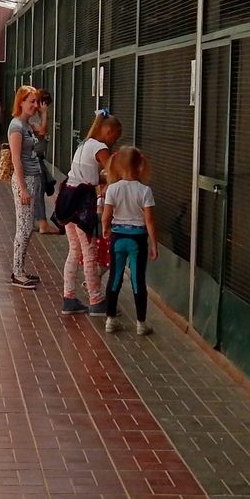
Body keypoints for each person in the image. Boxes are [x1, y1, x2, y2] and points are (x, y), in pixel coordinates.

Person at [57, 109, 123, 316]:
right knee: (89, 252)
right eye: (115, 137)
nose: (113, 142)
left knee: (74, 250)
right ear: (108, 131)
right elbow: (114, 173)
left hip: (68, 198)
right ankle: (96, 299)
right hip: (83, 203)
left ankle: (69, 297)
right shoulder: (100, 148)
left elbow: (92, 176)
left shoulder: (84, 144)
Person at [101, 146, 158, 336]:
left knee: (115, 277)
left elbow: (106, 216)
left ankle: (110, 320)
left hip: (117, 236)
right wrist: (154, 244)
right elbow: (149, 220)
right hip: (138, 238)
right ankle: (141, 323)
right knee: (137, 279)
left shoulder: (112, 188)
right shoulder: (145, 190)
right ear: (140, 165)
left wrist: (106, 228)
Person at [7, 86, 44, 289]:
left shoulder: (27, 124)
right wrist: (23, 188)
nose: (35, 105)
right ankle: (17, 273)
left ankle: (20, 268)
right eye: (31, 101)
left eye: (37, 102)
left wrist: (44, 114)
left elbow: (43, 132)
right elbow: (16, 159)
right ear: (21, 102)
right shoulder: (17, 127)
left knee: (28, 226)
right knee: (24, 227)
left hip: (33, 177)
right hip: (26, 179)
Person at [30, 89, 61, 235]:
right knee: (39, 189)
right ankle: (43, 223)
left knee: (39, 188)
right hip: (34, 157)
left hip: (37, 155)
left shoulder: (35, 114)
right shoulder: (35, 114)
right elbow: (42, 130)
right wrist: (44, 114)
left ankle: (34, 220)